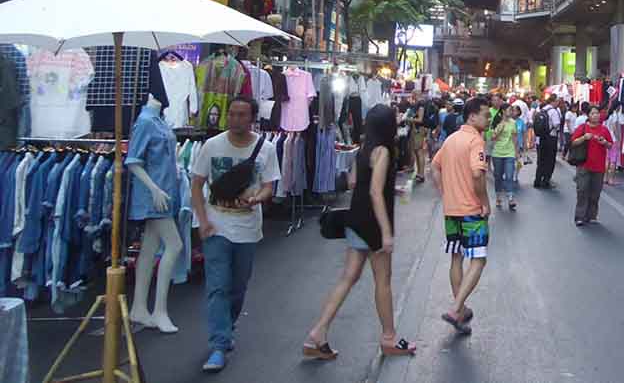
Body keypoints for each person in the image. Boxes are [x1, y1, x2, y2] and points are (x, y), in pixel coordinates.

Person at [303, 104, 416, 360]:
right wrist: (386, 232)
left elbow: (354, 182)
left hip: (355, 218)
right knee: (383, 281)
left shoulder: (364, 148)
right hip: (374, 223)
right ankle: (389, 338)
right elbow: (376, 192)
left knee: (348, 277)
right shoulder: (384, 151)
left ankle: (317, 333)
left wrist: (390, 188)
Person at [191, 97, 282, 372]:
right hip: (216, 227)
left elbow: (269, 186)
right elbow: (197, 184)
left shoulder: (265, 148)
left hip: (247, 229)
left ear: (252, 117)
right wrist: (203, 220)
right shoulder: (212, 146)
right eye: (231, 114)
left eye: (242, 115)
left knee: (238, 286)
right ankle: (219, 344)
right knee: (217, 285)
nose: (235, 119)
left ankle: (227, 328)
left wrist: (258, 198)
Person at [432, 97, 491, 335]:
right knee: (478, 260)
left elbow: (434, 167)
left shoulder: (451, 139)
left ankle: (460, 308)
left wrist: (444, 193)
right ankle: (457, 308)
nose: (488, 118)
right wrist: (484, 202)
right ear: (472, 116)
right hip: (471, 211)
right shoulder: (475, 141)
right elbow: (478, 175)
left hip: (451, 210)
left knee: (456, 257)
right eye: (486, 114)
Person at [569, 105, 613, 226]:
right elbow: (573, 142)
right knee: (582, 190)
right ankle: (580, 216)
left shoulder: (604, 129)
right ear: (588, 115)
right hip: (584, 164)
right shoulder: (582, 128)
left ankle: (592, 215)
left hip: (599, 165)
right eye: (593, 113)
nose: (596, 115)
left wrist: (604, 142)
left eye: (597, 113)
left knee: (595, 192)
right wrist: (584, 137)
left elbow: (610, 145)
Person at [488, 103, 519, 211]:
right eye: (509, 110)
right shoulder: (496, 122)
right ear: (503, 111)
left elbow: (515, 137)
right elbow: (492, 137)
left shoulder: (513, 123)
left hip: (509, 153)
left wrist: (517, 152)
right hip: (497, 153)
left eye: (511, 110)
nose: (511, 112)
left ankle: (511, 199)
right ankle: (498, 197)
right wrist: (500, 127)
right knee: (498, 176)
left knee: (509, 176)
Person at [533, 95, 561, 189]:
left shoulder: (541, 109)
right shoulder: (553, 111)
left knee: (541, 160)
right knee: (550, 160)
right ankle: (546, 181)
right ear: (553, 101)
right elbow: (556, 124)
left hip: (540, 139)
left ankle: (537, 180)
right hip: (551, 138)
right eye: (557, 101)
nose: (558, 103)